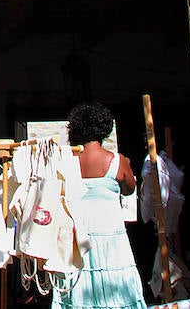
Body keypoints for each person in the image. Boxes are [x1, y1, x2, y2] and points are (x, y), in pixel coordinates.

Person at [56, 102, 147, 309]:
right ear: (104, 128)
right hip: (110, 234)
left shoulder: (68, 161)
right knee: (116, 283)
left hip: (78, 235)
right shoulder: (117, 161)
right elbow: (129, 189)